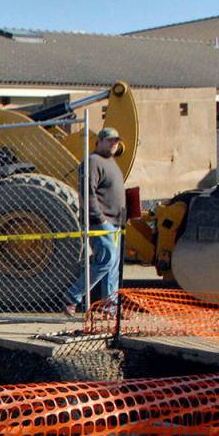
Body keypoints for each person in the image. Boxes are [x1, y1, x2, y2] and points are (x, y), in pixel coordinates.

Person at [63, 127, 127, 318]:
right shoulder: (92, 161)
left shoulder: (112, 163)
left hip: (116, 222)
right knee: (105, 260)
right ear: (98, 142)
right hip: (102, 221)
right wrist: (99, 217)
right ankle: (72, 296)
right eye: (110, 141)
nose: (114, 144)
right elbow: (87, 191)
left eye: (116, 141)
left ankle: (111, 307)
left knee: (112, 266)